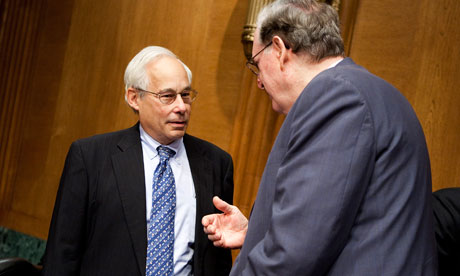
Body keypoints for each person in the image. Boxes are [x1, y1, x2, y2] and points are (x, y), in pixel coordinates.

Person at [202, 0, 437, 275]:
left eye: (256, 64)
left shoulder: (336, 96)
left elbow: (294, 251)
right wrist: (256, 232)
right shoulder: (376, 91)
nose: (259, 82)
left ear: (278, 50)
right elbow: (347, 217)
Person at [42, 46, 234, 276]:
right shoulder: (91, 158)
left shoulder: (216, 164)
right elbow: (62, 254)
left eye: (185, 95)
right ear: (134, 98)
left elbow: (219, 260)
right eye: (167, 96)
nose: (181, 107)